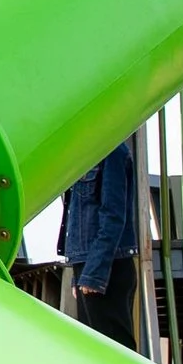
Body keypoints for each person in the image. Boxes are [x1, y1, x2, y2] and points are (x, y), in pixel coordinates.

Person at [61, 139, 141, 349]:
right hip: (88, 264)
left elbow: (113, 216)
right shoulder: (85, 155)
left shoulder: (112, 151)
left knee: (115, 353)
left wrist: (94, 273)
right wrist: (78, 275)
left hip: (107, 267)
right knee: (95, 352)